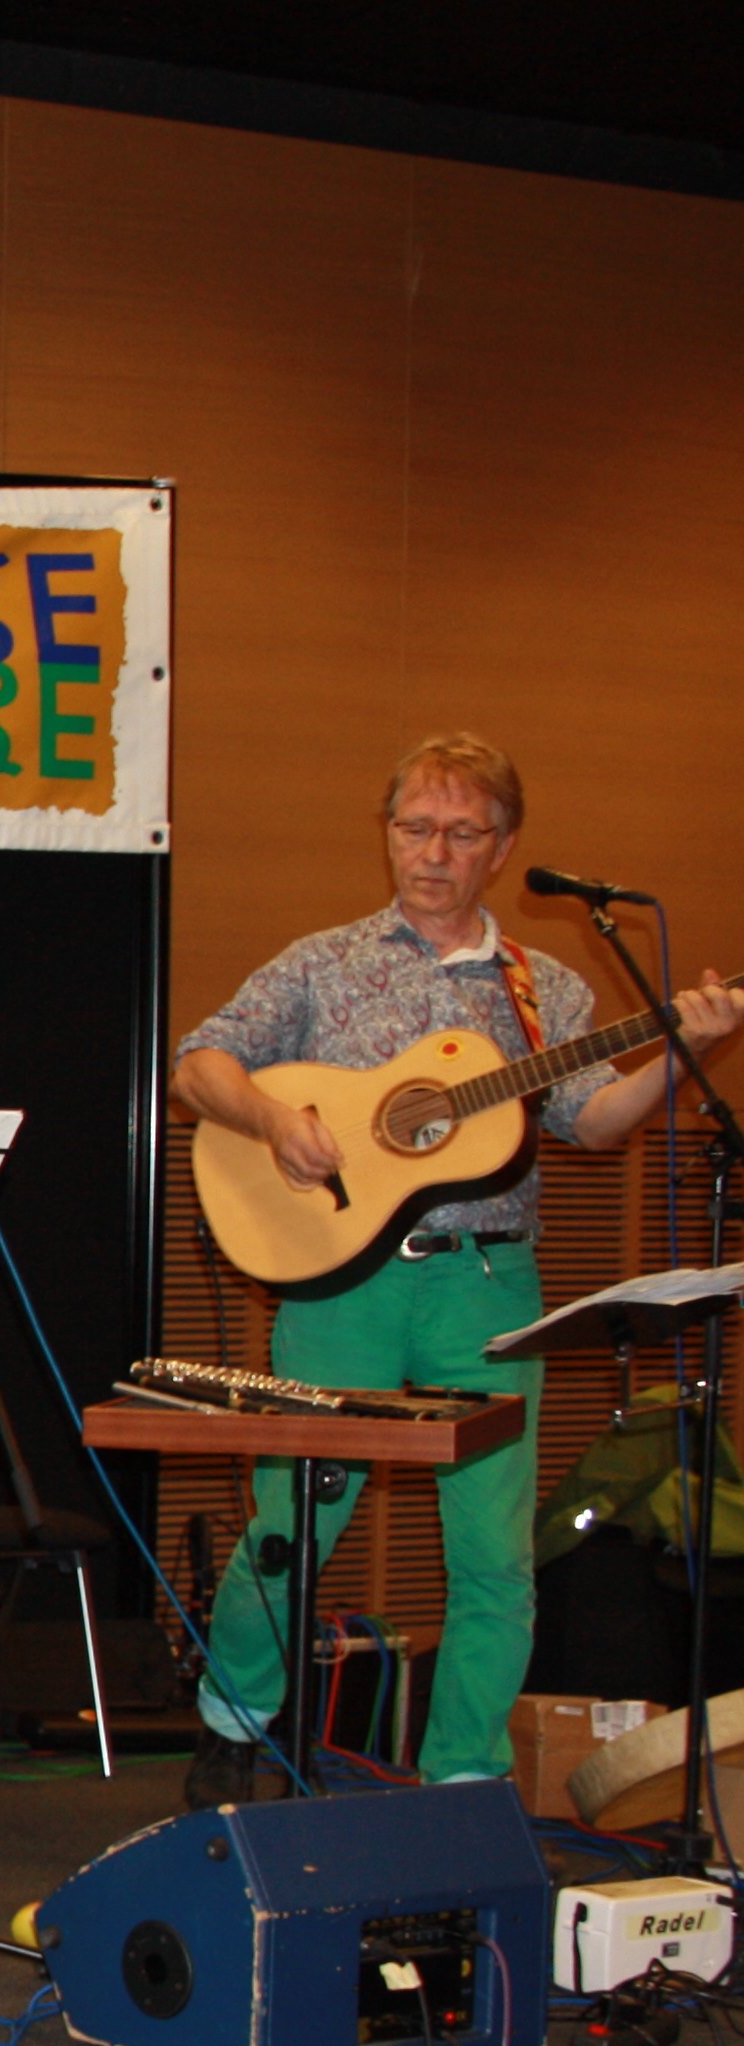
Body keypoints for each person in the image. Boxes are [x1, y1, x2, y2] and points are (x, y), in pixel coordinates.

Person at [171, 733, 739, 1802]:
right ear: (387, 833)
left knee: (494, 1553)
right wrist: (275, 1120)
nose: (433, 853)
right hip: (343, 1286)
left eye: (462, 834)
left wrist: (686, 1049)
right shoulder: (323, 963)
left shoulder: (541, 986)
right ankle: (233, 1716)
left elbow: (596, 1120)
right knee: (295, 1524)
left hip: (488, 1287)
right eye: (414, 828)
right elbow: (201, 1062)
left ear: (503, 847)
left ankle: (464, 1782)